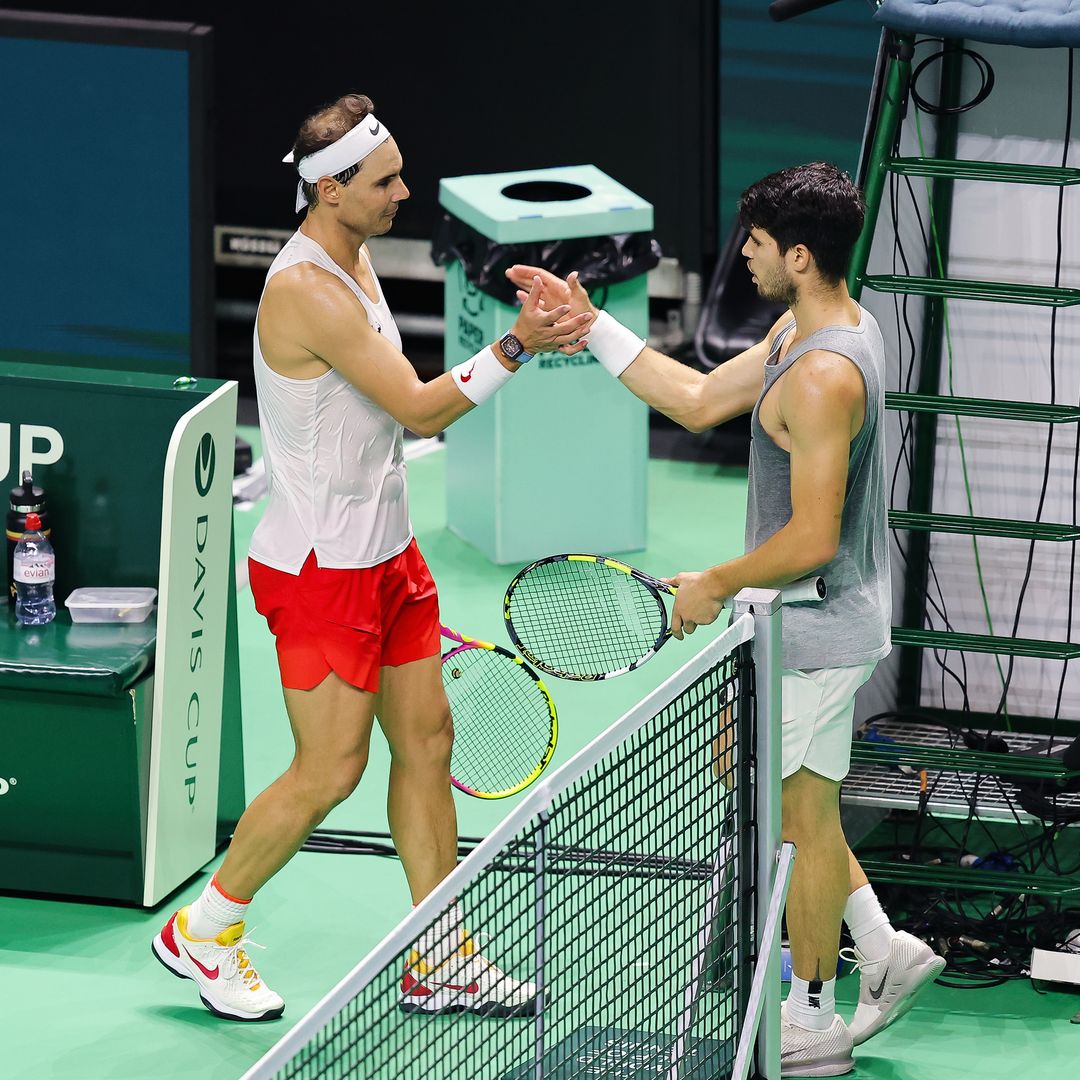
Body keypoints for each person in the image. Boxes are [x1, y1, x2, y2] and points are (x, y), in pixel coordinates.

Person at [151, 92, 591, 1023]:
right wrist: (518, 346)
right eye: (385, 180)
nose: (404, 190)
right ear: (333, 188)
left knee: (428, 743)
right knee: (328, 772)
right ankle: (203, 931)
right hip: (320, 570)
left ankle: (440, 954)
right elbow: (421, 410)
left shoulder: (353, 253)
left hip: (388, 553)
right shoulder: (306, 287)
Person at [506, 162, 945, 1077]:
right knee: (798, 806)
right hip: (816, 624)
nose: (739, 253)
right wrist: (590, 328)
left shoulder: (825, 376)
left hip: (815, 629)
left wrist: (713, 582)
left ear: (797, 252)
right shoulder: (813, 326)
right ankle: (884, 947)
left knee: (797, 819)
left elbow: (815, 537)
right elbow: (700, 400)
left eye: (753, 241)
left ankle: (815, 1016)